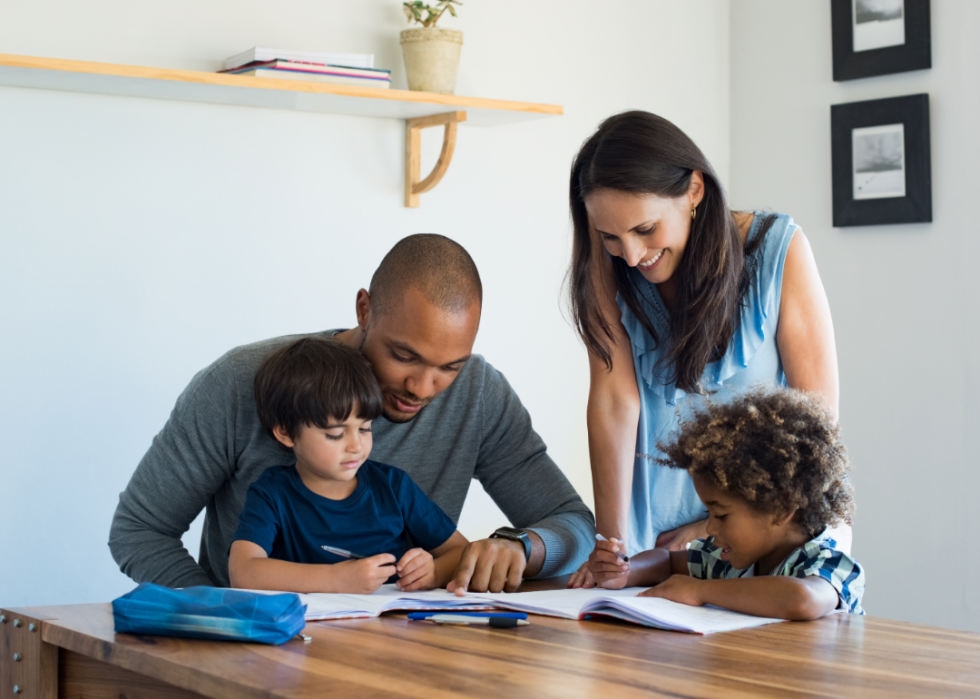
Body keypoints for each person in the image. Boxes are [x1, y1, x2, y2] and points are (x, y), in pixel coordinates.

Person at [109, 234, 594, 593]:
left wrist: (522, 547)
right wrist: (224, 616)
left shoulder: (479, 393)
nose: (423, 388)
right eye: (404, 356)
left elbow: (573, 524)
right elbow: (139, 530)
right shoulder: (241, 383)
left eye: (450, 366)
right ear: (364, 308)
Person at [566, 111, 844, 588]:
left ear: (694, 190)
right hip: (649, 546)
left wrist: (714, 527)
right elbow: (614, 403)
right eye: (610, 236)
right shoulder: (608, 267)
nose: (631, 255)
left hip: (763, 539)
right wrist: (611, 547)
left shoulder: (779, 250)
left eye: (645, 229)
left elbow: (815, 424)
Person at [590, 386, 865, 619]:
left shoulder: (828, 562)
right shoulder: (729, 559)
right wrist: (626, 571)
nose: (709, 529)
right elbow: (667, 561)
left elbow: (801, 599)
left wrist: (699, 591)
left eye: (720, 515)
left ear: (782, 507)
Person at [229, 337, 469, 594]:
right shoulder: (272, 494)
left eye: (365, 428)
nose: (356, 446)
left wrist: (433, 572)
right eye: (335, 434)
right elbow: (244, 572)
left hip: (392, 628)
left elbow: (461, 552)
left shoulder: (393, 486)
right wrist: (335, 579)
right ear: (286, 432)